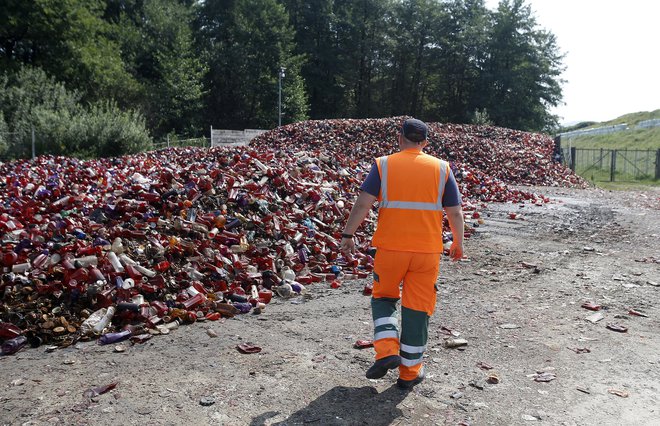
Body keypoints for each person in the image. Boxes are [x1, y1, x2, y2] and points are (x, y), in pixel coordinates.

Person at [339, 118, 464, 390]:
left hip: (390, 249)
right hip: (426, 252)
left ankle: (386, 351)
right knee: (418, 309)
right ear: (425, 143)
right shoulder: (442, 169)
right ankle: (409, 373)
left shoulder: (384, 165)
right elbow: (454, 211)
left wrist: (348, 234)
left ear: (400, 138)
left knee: (384, 297)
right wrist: (458, 242)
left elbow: (363, 203)